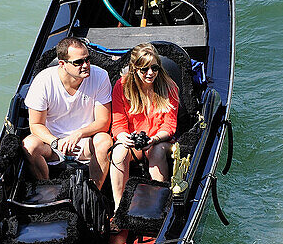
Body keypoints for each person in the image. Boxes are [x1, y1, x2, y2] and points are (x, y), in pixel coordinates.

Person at [23, 37, 112, 189]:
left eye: (87, 59)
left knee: (104, 141)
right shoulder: (43, 81)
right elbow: (36, 125)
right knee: (29, 144)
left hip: (85, 144)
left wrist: (78, 134)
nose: (86, 65)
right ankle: (47, 190)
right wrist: (56, 142)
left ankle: (94, 193)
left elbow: (103, 122)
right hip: (52, 146)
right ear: (62, 64)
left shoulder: (100, 76)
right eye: (78, 62)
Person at [109, 44, 179, 217]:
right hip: (133, 142)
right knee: (118, 153)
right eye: (144, 69)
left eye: (154, 68)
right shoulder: (122, 86)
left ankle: (158, 206)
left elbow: (169, 126)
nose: (150, 73)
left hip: (159, 141)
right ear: (134, 69)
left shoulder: (169, 87)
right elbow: (118, 124)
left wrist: (154, 139)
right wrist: (124, 137)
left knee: (156, 152)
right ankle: (120, 208)